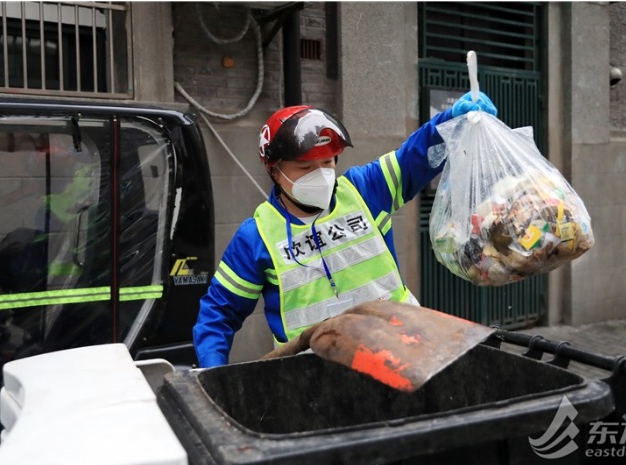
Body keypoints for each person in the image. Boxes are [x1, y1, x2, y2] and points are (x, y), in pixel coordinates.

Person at [193, 91, 498, 367]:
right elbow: (218, 316)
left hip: (403, 352)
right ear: (274, 170)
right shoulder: (257, 237)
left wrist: (453, 119)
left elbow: (416, 155)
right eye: (305, 167)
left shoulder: (365, 190)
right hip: (314, 374)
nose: (322, 175)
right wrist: (213, 373)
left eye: (327, 163)